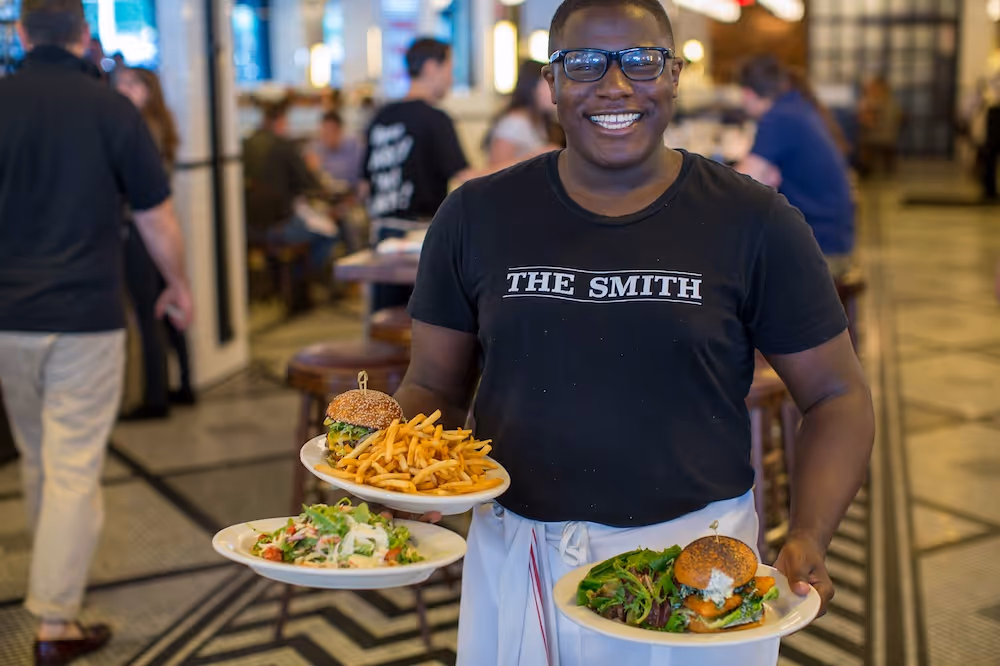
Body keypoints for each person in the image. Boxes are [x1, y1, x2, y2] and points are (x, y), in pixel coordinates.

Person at [395, 0, 875, 663]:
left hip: (699, 566)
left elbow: (837, 396)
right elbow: (432, 384)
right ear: (551, 82)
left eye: (642, 61)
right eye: (584, 62)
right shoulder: (475, 215)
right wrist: (393, 478)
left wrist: (811, 533)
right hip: (521, 552)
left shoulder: (754, 222)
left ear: (674, 75)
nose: (615, 85)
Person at [0, 1, 192, 663]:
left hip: (7, 320)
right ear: (85, 37)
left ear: (21, 33)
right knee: (74, 466)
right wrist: (179, 283)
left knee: (39, 460)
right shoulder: (113, 110)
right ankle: (55, 624)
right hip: (84, 316)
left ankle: (57, 595)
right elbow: (156, 216)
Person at [115, 66, 196, 416]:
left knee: (150, 310)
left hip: (143, 229)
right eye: (120, 84)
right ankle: (184, 385)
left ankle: (155, 398)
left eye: (133, 84)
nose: (125, 90)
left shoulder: (138, 127)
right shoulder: (161, 124)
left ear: (150, 89)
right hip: (161, 229)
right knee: (167, 308)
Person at [736, 56, 856, 278]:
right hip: (834, 238)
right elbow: (758, 177)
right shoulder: (795, 106)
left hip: (821, 248)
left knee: (732, 268)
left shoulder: (779, 117)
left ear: (748, 93)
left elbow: (741, 185)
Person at [363, 38, 470, 221]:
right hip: (421, 231)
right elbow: (467, 178)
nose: (451, 79)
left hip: (381, 230)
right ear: (430, 67)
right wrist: (526, 163)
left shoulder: (381, 116)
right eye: (449, 70)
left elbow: (363, 185)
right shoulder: (435, 119)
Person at [243, 99, 335, 297]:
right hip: (279, 227)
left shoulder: (245, 144)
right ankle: (298, 283)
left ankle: (279, 284)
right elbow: (309, 184)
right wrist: (313, 168)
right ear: (281, 121)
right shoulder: (283, 146)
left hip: (248, 228)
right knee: (329, 233)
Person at [486, 60, 563, 167]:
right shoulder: (512, 124)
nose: (555, 90)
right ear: (532, 88)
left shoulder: (541, 121)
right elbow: (493, 171)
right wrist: (537, 158)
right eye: (548, 85)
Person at [307, 110, 364, 190]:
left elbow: (356, 178)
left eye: (330, 132)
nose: (326, 137)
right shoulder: (317, 147)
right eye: (324, 133)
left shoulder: (353, 147)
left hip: (350, 195)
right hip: (326, 195)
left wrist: (320, 169)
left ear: (340, 132)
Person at [857, 75, 902, 176]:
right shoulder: (893, 102)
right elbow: (900, 118)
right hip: (890, 136)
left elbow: (868, 122)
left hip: (874, 137)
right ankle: (888, 167)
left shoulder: (869, 102)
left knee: (863, 141)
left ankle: (865, 166)